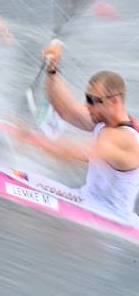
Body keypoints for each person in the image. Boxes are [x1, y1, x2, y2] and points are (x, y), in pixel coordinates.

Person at [13, 43, 139, 225]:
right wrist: (52, 69)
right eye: (86, 98)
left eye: (92, 100)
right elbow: (66, 109)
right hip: (86, 201)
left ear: (114, 101)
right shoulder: (104, 121)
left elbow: (73, 152)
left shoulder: (123, 139)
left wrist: (31, 139)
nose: (87, 105)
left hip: (110, 218)